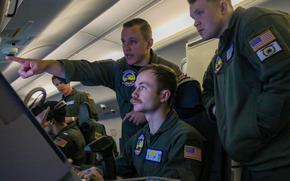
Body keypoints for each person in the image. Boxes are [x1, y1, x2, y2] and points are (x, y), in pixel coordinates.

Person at [6, 18, 182, 151]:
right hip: (131, 142)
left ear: (149, 43)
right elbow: (84, 69)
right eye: (123, 42)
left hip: (165, 142)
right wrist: (44, 65)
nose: (126, 48)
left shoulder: (171, 71)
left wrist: (150, 113)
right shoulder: (118, 69)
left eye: (133, 42)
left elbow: (186, 109)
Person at [187, 0, 290, 180]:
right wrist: (216, 109)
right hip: (254, 161)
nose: (195, 22)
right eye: (193, 17)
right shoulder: (222, 50)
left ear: (223, 6)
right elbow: (208, 89)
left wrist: (255, 129)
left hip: (279, 161)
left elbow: (284, 79)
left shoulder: (254, 23)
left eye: (200, 13)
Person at [79, 64, 205, 181]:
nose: (134, 93)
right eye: (135, 87)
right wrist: (98, 171)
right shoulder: (140, 137)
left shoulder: (185, 137)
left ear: (164, 96)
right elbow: (121, 165)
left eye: (143, 87)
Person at [36, 100, 86, 166]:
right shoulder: (73, 128)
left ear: (51, 121)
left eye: (44, 123)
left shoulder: (63, 139)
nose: (43, 126)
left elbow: (46, 159)